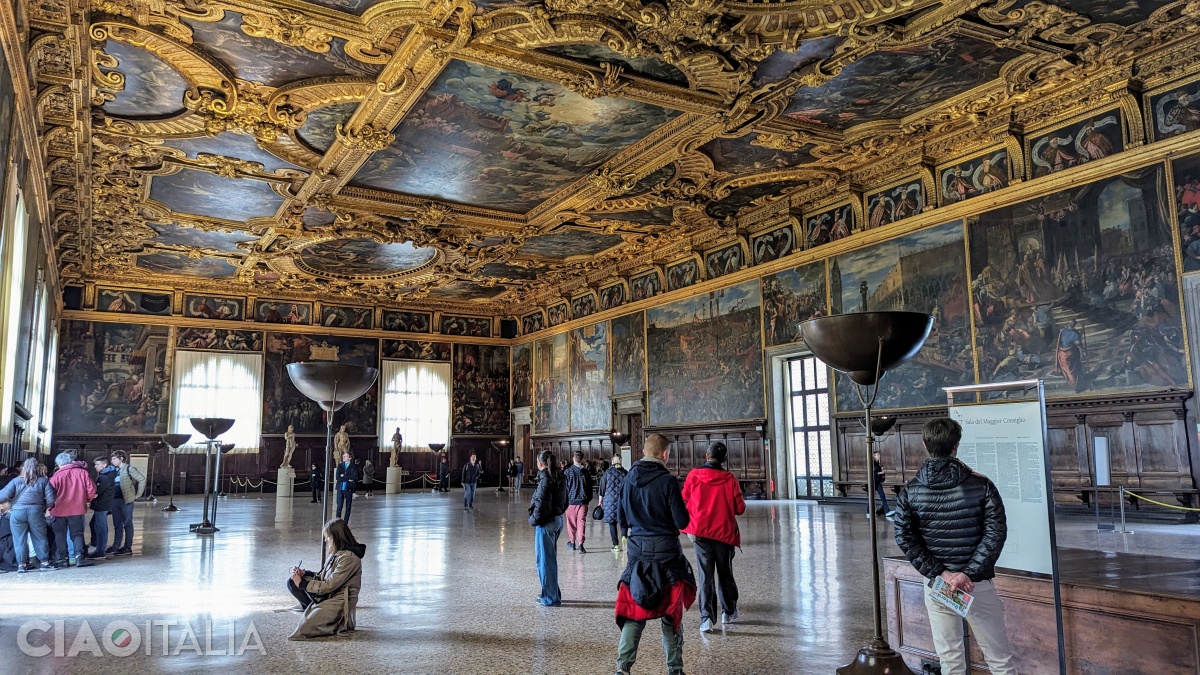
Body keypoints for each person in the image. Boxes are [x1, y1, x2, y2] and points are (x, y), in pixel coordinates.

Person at [893, 418, 1016, 675]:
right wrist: (967, 573)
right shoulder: (982, 485)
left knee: (951, 663)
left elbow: (905, 537)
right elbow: (996, 533)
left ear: (925, 444)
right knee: (999, 661)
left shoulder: (911, 491)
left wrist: (941, 574)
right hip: (976, 584)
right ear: (956, 445)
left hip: (939, 585)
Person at [615, 433, 694, 675]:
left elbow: (621, 519)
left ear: (643, 453)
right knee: (671, 614)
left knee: (634, 612)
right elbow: (682, 521)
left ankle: (622, 668)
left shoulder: (628, 480)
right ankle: (675, 669)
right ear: (664, 454)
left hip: (637, 555)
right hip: (667, 557)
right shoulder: (668, 482)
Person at [681, 441, 746, 633]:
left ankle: (707, 619)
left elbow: (684, 497)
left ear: (707, 456)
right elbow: (740, 509)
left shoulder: (694, 475)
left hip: (700, 533)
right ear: (724, 459)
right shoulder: (730, 479)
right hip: (724, 534)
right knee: (725, 573)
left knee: (705, 575)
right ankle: (728, 611)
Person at [287, 519, 367, 640]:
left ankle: (331, 620)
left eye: (328, 538)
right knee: (292, 582)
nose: (326, 541)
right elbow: (324, 576)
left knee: (304, 628)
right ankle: (313, 608)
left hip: (339, 600)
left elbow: (330, 585)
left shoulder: (349, 558)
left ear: (337, 537)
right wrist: (305, 573)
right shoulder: (338, 553)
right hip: (329, 594)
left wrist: (303, 584)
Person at [0, 458, 58, 572]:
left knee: (19, 539)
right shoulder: (43, 481)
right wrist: (42, 506)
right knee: (40, 537)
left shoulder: (16, 481)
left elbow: (2, 496)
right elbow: (51, 499)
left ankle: (21, 565)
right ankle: (44, 563)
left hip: (17, 512)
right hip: (36, 512)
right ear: (37, 468)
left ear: (23, 467)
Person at [528, 450, 567, 607]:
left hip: (546, 523)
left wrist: (533, 519)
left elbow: (542, 505)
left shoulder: (546, 479)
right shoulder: (559, 476)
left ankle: (550, 598)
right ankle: (553, 593)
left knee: (544, 561)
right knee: (549, 560)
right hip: (557, 520)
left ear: (540, 463)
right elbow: (566, 501)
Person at [49, 452, 96, 568]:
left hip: (58, 510)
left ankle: (63, 559)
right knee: (77, 535)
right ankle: (79, 559)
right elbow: (92, 489)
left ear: (60, 463)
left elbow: (49, 494)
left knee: (60, 535)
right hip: (77, 509)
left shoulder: (56, 476)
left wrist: (49, 507)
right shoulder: (83, 473)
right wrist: (86, 500)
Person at [109, 451, 144, 556]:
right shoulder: (114, 470)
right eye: (112, 459)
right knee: (117, 524)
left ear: (121, 459)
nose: (112, 461)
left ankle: (127, 547)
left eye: (114, 459)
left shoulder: (129, 469)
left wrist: (138, 494)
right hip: (115, 500)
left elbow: (142, 479)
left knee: (127, 523)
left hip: (126, 500)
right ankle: (116, 546)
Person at [563, 451, 593, 553]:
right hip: (583, 502)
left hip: (571, 502)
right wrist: (587, 499)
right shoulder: (586, 472)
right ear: (582, 459)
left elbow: (565, 488)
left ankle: (572, 542)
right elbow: (590, 488)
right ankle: (581, 544)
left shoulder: (568, 472)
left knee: (571, 523)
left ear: (573, 458)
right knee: (581, 523)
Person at [89, 456, 117, 559]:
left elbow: (97, 492)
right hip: (101, 504)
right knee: (94, 524)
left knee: (101, 528)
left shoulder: (105, 477)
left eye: (97, 464)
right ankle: (96, 545)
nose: (95, 466)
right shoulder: (105, 475)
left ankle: (100, 551)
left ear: (104, 465)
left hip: (102, 505)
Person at [600, 454, 628, 551]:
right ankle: (624, 536)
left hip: (610, 501)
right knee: (623, 522)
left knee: (612, 523)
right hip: (622, 501)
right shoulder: (625, 473)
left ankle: (615, 545)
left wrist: (600, 502)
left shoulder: (607, 473)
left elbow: (602, 488)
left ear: (612, 461)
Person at [335, 453, 358, 524]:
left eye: (345, 456)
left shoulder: (354, 466)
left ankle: (345, 523)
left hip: (348, 488)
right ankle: (337, 522)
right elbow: (337, 477)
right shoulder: (340, 466)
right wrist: (348, 478)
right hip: (340, 488)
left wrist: (344, 476)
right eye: (343, 456)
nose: (343, 457)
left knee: (348, 507)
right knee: (339, 507)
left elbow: (354, 477)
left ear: (350, 458)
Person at [872, 450, 894, 518]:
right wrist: (879, 473)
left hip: (878, 481)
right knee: (871, 497)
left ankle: (887, 511)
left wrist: (882, 472)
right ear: (874, 456)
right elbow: (872, 473)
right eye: (877, 455)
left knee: (882, 495)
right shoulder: (872, 463)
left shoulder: (878, 463)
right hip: (874, 481)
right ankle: (869, 512)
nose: (879, 456)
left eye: (879, 455)